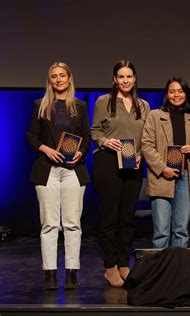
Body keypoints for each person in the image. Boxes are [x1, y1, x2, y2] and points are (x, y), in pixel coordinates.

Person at [27, 62, 90, 290]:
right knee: (49, 224)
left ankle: (72, 273)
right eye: (54, 76)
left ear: (69, 78)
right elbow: (32, 136)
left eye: (62, 75)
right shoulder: (40, 105)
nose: (58, 80)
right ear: (50, 80)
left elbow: (86, 136)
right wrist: (46, 149)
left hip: (73, 170)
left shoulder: (80, 106)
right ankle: (50, 275)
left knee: (72, 224)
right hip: (47, 171)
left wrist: (80, 152)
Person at [91, 60, 150, 287]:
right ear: (114, 79)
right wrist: (107, 142)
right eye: (121, 77)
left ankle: (124, 262)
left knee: (127, 217)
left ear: (134, 79)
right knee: (110, 217)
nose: (125, 80)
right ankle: (110, 266)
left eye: (129, 76)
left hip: (133, 163)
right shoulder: (104, 101)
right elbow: (95, 131)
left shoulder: (143, 105)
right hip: (107, 162)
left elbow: (147, 137)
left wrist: (141, 155)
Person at [141, 77, 190, 248]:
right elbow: (147, 146)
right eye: (172, 91)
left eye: (180, 91)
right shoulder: (154, 116)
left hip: (185, 177)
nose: (176, 95)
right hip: (161, 177)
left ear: (186, 94)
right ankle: (161, 273)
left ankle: (178, 273)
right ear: (167, 95)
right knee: (161, 232)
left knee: (181, 230)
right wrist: (163, 168)